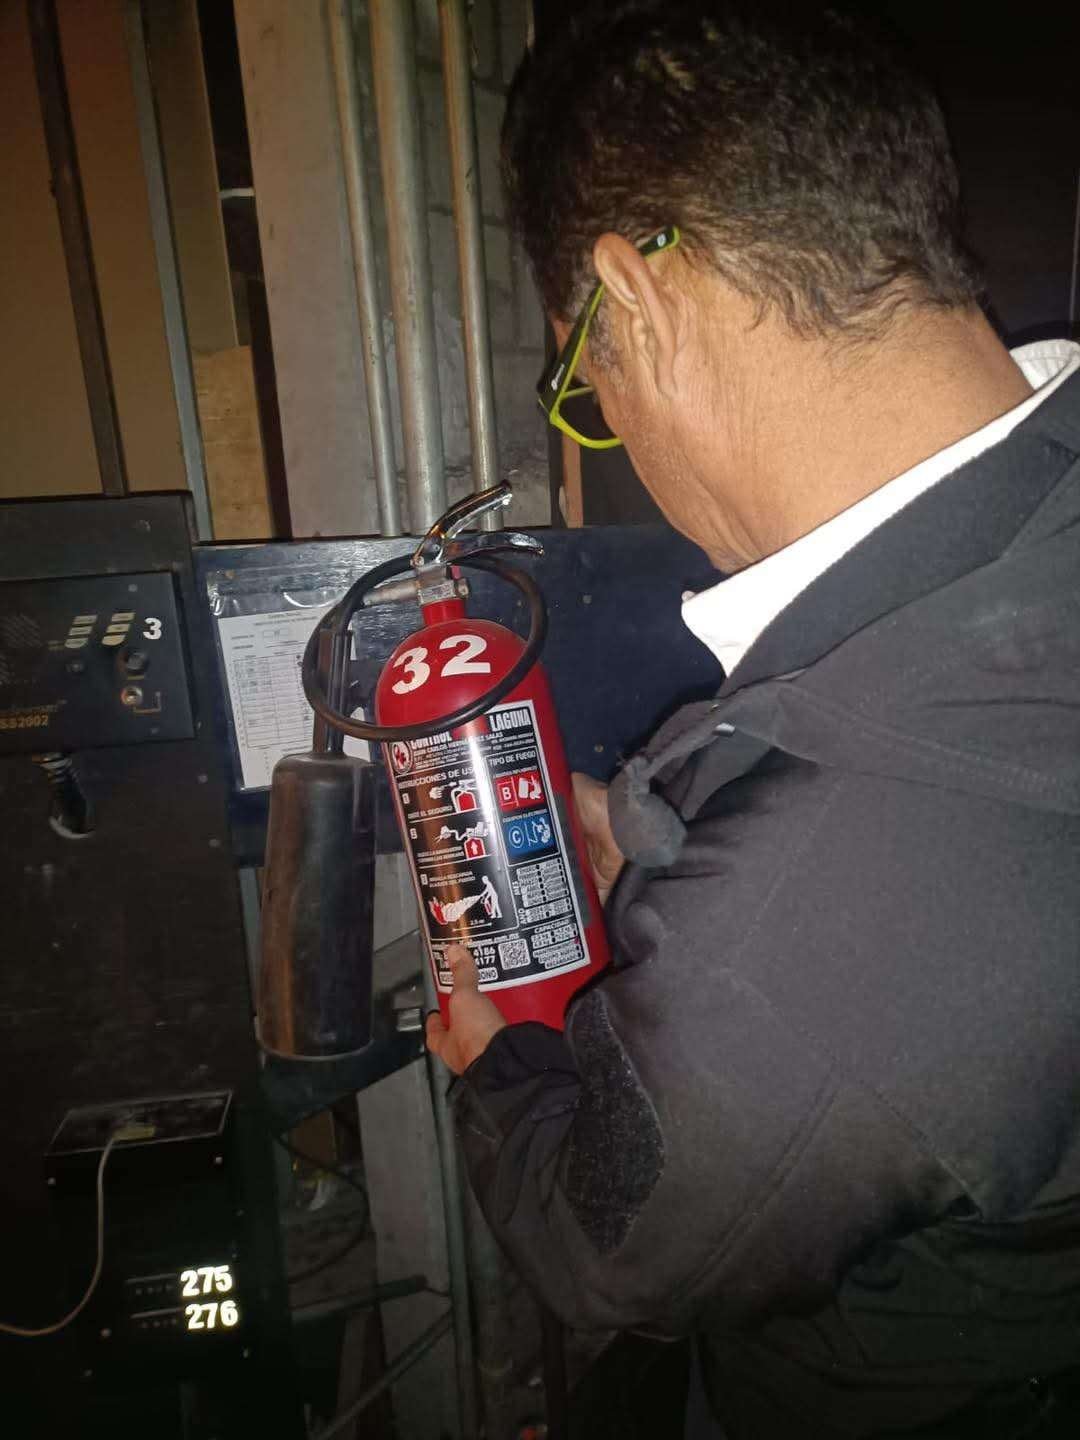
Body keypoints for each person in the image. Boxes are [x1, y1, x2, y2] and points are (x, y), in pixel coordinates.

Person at [425, 4, 1080, 1435]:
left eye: (583, 382)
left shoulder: (814, 899)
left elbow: (617, 1252)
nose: (613, 423)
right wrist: (690, 848)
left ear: (636, 299)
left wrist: (499, 1066)